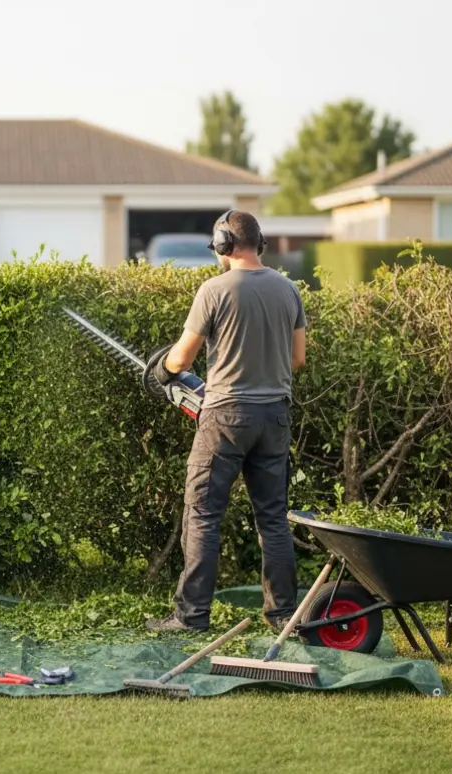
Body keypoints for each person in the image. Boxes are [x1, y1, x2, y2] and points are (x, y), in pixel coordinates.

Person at [144, 209, 308, 633]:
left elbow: (181, 360)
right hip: (275, 416)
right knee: (272, 519)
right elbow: (297, 359)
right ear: (260, 243)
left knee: (202, 513)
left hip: (225, 418)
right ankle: (282, 615)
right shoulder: (288, 289)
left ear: (223, 244)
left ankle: (192, 616)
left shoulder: (214, 290)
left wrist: (163, 369)